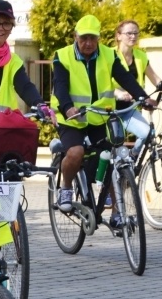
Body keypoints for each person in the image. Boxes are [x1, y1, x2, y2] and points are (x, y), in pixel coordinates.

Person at [50, 14, 154, 215]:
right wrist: (67, 107)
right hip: (72, 119)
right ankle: (66, 187)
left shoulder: (108, 55)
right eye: (83, 38)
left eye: (93, 38)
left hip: (98, 117)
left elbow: (125, 78)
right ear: (75, 36)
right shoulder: (62, 55)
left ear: (99, 38)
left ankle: (118, 214)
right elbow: (60, 87)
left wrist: (143, 97)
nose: (88, 43)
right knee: (76, 152)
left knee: (116, 157)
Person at [113, 19, 162, 156]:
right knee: (114, 145)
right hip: (109, 108)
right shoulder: (109, 55)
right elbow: (100, 82)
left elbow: (156, 79)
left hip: (128, 108)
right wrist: (118, 93)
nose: (133, 36)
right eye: (129, 33)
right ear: (119, 35)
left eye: (136, 33)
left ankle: (131, 160)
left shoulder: (141, 56)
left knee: (146, 133)